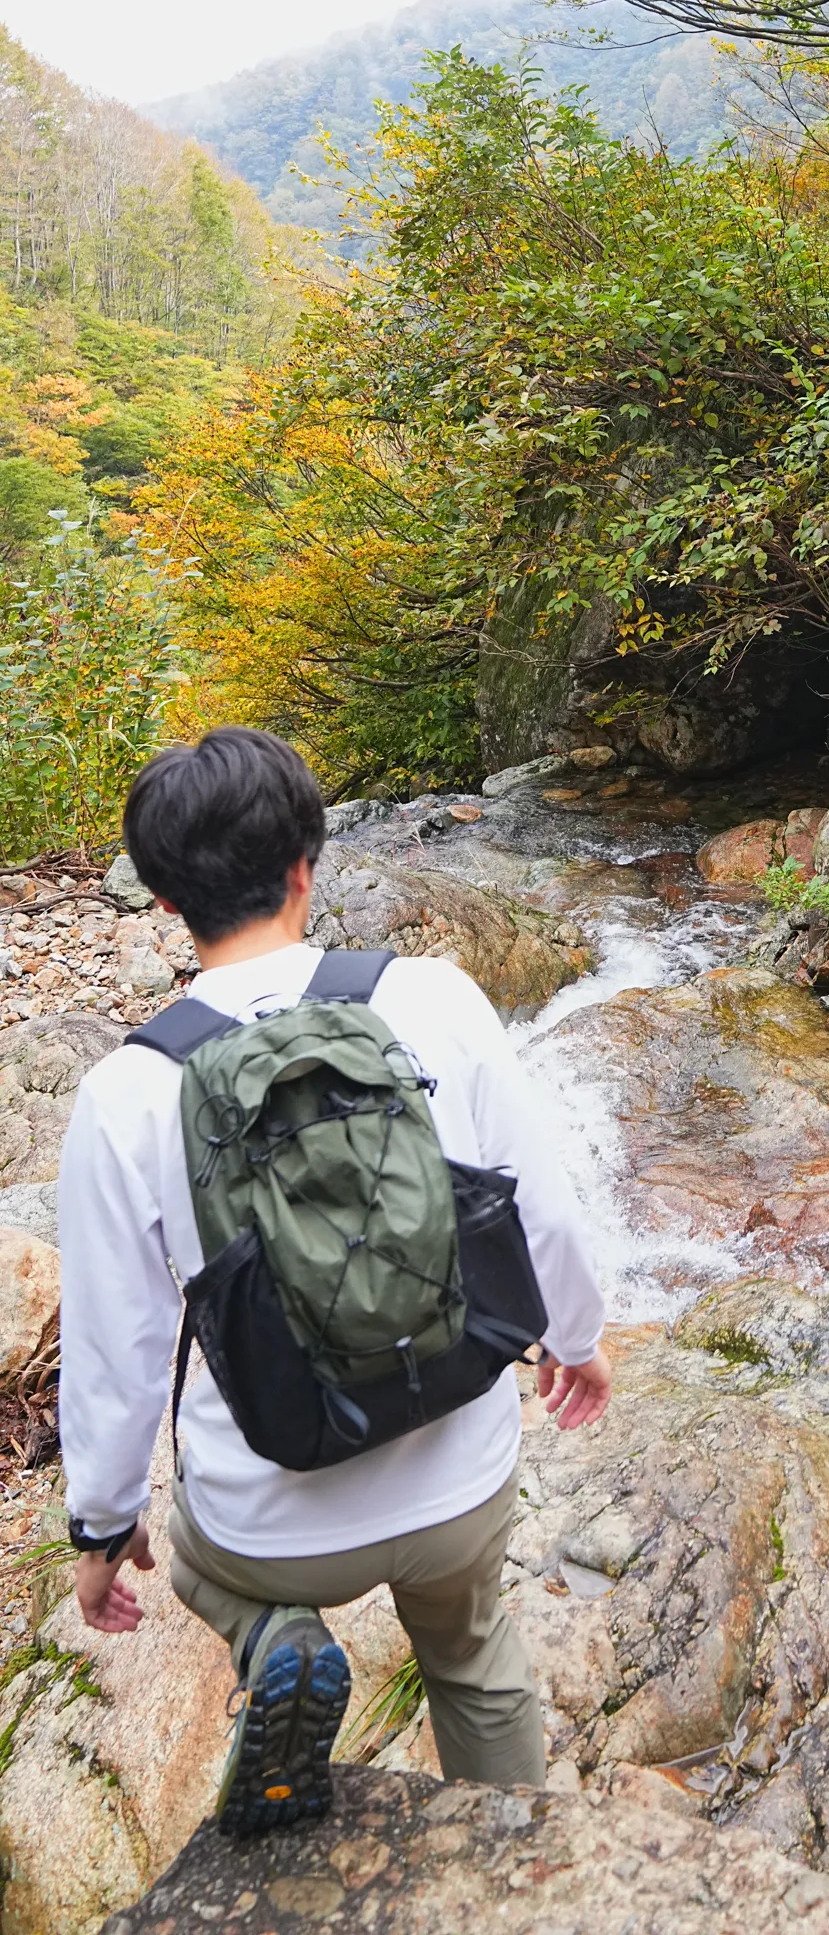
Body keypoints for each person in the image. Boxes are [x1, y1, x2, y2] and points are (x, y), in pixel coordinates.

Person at [58, 726, 611, 1830]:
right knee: (472, 1654)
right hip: (456, 1474)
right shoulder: (435, 998)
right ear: (310, 862)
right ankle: (513, 1860)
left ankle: (278, 1642)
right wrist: (577, 1341)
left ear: (165, 899)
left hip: (273, 1516)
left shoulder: (126, 1091)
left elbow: (118, 1346)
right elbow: (541, 1201)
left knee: (195, 1567)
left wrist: (100, 1529)